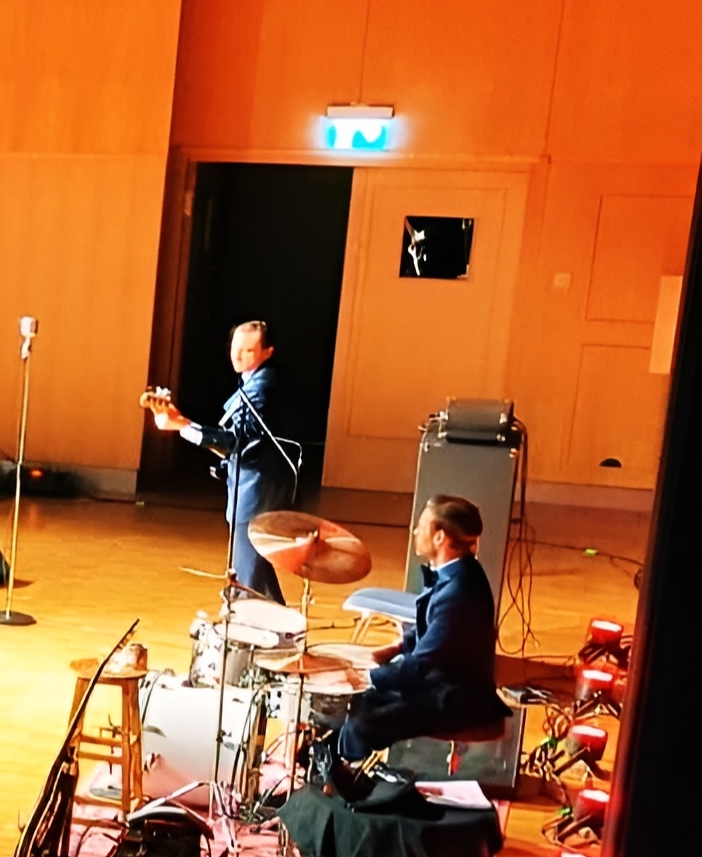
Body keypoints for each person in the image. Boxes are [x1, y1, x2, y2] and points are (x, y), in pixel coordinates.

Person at [331, 496, 508, 793]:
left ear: (440, 537)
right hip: (438, 681)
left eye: (422, 526)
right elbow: (429, 632)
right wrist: (394, 650)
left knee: (365, 722)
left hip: (457, 698)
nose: (415, 531)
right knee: (358, 705)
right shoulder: (457, 574)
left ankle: (346, 789)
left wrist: (368, 678)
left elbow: (424, 662)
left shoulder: (460, 591)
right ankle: (334, 766)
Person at [144, 320, 302, 602]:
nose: (238, 356)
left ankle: (252, 635)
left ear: (267, 352)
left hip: (257, 488)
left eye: (248, 350)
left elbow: (235, 442)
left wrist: (182, 425)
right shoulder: (255, 380)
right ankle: (281, 632)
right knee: (255, 570)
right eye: (235, 348)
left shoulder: (261, 390)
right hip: (253, 484)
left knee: (246, 574)